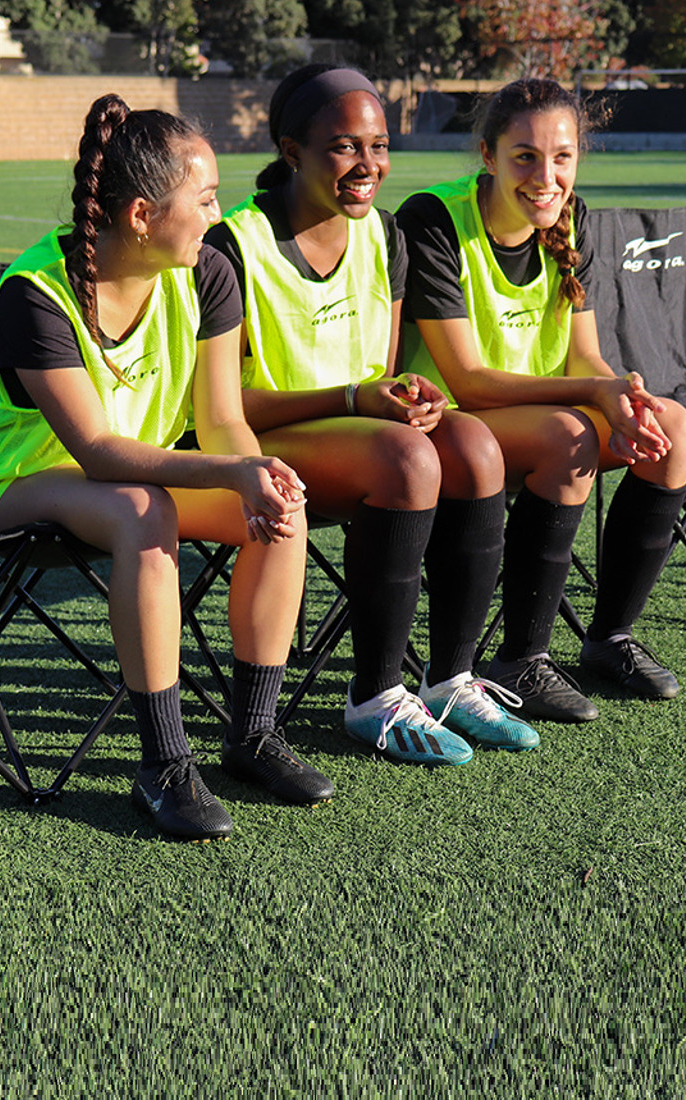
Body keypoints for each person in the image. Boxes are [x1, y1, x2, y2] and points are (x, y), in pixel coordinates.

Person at [0, 93, 332, 841]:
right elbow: (94, 451)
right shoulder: (38, 296)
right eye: (205, 199)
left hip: (140, 476)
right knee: (142, 509)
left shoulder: (207, 273)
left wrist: (256, 472)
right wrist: (227, 474)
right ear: (141, 217)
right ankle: (163, 764)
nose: (217, 215)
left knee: (281, 508)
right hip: (15, 484)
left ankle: (252, 735)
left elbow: (223, 419)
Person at [205, 64, 538, 765]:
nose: (369, 165)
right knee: (408, 459)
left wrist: (409, 394)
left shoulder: (385, 236)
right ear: (291, 151)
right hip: (262, 438)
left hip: (356, 428)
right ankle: (375, 698)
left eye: (379, 145)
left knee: (474, 446)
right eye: (345, 146)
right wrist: (357, 402)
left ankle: (449, 679)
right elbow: (224, 407)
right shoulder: (234, 245)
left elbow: (381, 373)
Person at [396, 77, 686, 723]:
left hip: (541, 412)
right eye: (525, 156)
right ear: (488, 156)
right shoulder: (434, 219)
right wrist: (593, 392)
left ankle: (609, 638)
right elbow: (469, 381)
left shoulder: (572, 217)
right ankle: (521, 660)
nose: (546, 175)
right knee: (570, 435)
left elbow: (584, 355)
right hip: (449, 425)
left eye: (562, 157)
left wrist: (621, 396)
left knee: (673, 427)